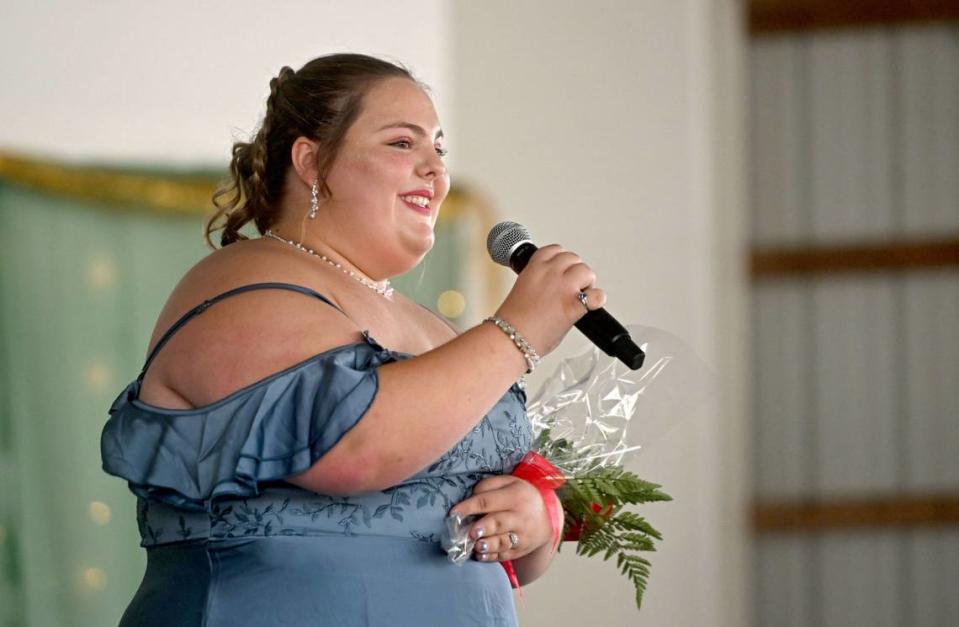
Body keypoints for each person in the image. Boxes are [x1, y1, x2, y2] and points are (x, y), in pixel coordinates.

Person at [101, 53, 606, 627]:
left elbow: (474, 511)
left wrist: (534, 521)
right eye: (402, 144)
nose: (435, 171)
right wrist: (518, 333)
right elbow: (353, 447)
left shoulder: (431, 326)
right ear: (313, 161)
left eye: (438, 149)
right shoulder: (243, 283)